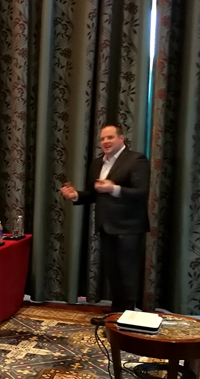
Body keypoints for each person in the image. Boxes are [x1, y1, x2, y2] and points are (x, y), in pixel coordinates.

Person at [60, 124, 150, 312]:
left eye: (110, 137)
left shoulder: (136, 160)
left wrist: (113, 188)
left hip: (129, 228)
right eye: (102, 139)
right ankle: (116, 313)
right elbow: (94, 194)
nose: (105, 142)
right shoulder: (97, 163)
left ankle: (127, 316)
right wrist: (75, 195)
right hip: (106, 226)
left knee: (128, 275)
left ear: (121, 138)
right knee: (114, 274)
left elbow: (141, 193)